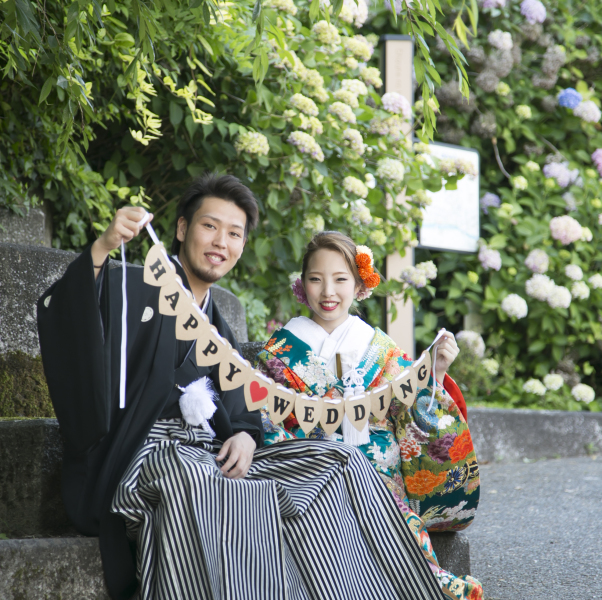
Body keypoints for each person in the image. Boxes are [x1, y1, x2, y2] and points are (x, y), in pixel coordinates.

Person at [38, 175, 447, 600]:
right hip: (142, 454)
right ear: (181, 229)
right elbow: (68, 314)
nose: (221, 242)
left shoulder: (220, 329)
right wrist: (102, 248)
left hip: (209, 455)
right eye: (209, 226)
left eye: (234, 233)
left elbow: (244, 410)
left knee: (337, 461)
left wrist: (247, 438)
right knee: (203, 484)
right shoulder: (133, 286)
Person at [256, 231, 483, 600]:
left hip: (377, 476)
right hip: (308, 472)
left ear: (360, 285)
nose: (328, 291)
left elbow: (412, 412)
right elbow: (268, 419)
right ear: (302, 285)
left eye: (340, 279)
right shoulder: (281, 348)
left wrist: (435, 372)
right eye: (316, 279)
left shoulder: (380, 348)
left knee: (394, 524)